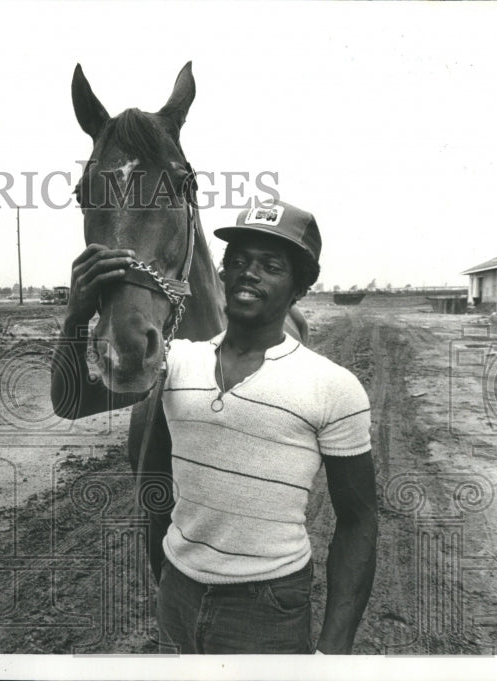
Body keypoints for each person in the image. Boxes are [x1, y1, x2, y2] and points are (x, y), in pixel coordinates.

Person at [50, 201, 377, 654]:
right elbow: (71, 402)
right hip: (178, 596)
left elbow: (359, 519)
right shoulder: (178, 361)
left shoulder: (336, 388)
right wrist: (74, 317)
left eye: (270, 265)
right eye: (238, 261)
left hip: (268, 609)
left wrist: (334, 649)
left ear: (301, 286)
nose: (249, 273)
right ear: (221, 274)